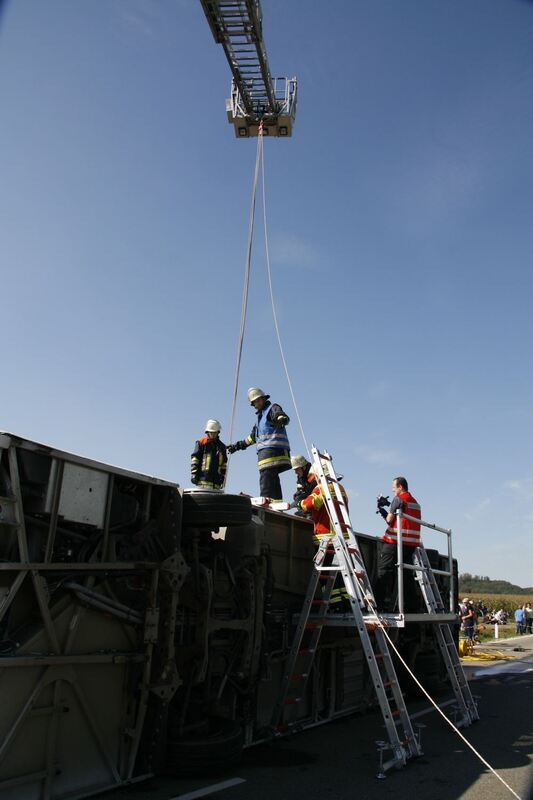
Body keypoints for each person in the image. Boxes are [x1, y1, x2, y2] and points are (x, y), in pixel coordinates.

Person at [227, 387, 291, 501]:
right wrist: (236, 446)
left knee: (266, 477)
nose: (255, 405)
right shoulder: (259, 421)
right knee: (272, 479)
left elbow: (279, 414)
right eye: (253, 403)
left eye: (256, 401)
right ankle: (276, 502)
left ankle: (265, 501)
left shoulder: (272, 408)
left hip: (273, 452)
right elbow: (251, 438)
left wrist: (281, 418)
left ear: (262, 399)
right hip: (271, 453)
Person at [299, 463, 349, 608]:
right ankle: (344, 604)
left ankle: (332, 606)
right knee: (340, 576)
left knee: (325, 576)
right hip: (343, 538)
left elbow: (309, 504)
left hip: (325, 538)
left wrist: (299, 502)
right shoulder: (341, 489)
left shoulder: (321, 488)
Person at [374, 476, 422, 612]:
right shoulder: (415, 503)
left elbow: (390, 520)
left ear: (400, 487)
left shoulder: (398, 499)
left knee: (384, 571)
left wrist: (382, 509)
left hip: (395, 542)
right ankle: (413, 608)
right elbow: (403, 519)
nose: (392, 490)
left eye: (394, 487)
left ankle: (378, 605)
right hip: (410, 545)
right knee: (407, 576)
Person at [190, 419, 227, 489]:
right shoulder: (201, 442)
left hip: (216, 484)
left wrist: (222, 478)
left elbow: (224, 465)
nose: (213, 434)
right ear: (207, 432)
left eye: (214, 432)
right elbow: (195, 459)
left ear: (218, 432)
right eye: (211, 432)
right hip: (202, 482)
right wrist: (194, 474)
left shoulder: (222, 447)